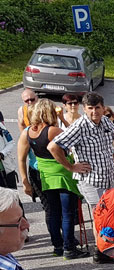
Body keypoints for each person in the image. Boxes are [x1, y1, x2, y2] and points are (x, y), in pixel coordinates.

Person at [49, 92, 114, 263]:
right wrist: (71, 166)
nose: (94, 112)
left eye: (97, 108)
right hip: (90, 180)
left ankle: (105, 247)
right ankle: (101, 252)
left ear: (103, 108)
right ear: (84, 109)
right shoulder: (79, 126)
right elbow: (53, 146)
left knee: (109, 215)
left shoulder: (105, 120)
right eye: (90, 108)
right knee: (100, 216)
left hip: (107, 177)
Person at [16, 99, 86, 259]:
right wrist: (62, 119)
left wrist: (25, 180)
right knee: (67, 213)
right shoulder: (53, 131)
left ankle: (58, 246)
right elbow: (72, 137)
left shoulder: (28, 132)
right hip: (62, 174)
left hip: (45, 175)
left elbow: (21, 158)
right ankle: (69, 248)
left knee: (52, 212)